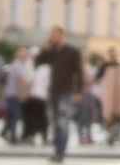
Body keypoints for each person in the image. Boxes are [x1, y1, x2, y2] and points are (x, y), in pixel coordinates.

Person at [38, 27, 89, 162]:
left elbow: (79, 72)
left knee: (63, 122)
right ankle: (57, 150)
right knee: (54, 123)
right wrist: (44, 49)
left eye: (55, 34)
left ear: (61, 35)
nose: (53, 37)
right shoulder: (52, 52)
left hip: (66, 91)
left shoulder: (72, 52)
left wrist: (78, 91)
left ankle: (61, 152)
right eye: (51, 34)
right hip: (53, 91)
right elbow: (38, 62)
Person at [97, 49, 120, 145]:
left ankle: (115, 135)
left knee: (118, 115)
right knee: (108, 115)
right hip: (108, 95)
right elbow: (99, 79)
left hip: (118, 95)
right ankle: (110, 135)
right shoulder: (105, 67)